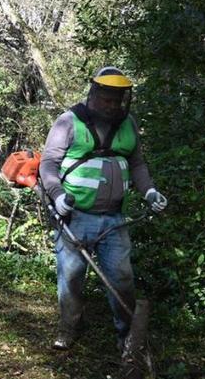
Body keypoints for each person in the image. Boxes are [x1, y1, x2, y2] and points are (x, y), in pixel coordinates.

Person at [36, 67, 167, 350]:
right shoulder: (68, 122)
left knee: (121, 278)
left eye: (117, 99)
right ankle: (69, 327)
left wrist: (149, 190)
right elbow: (48, 165)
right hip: (74, 217)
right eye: (106, 98)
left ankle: (127, 339)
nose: (111, 105)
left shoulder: (128, 124)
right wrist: (57, 195)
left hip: (114, 220)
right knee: (70, 279)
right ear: (93, 94)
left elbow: (137, 164)